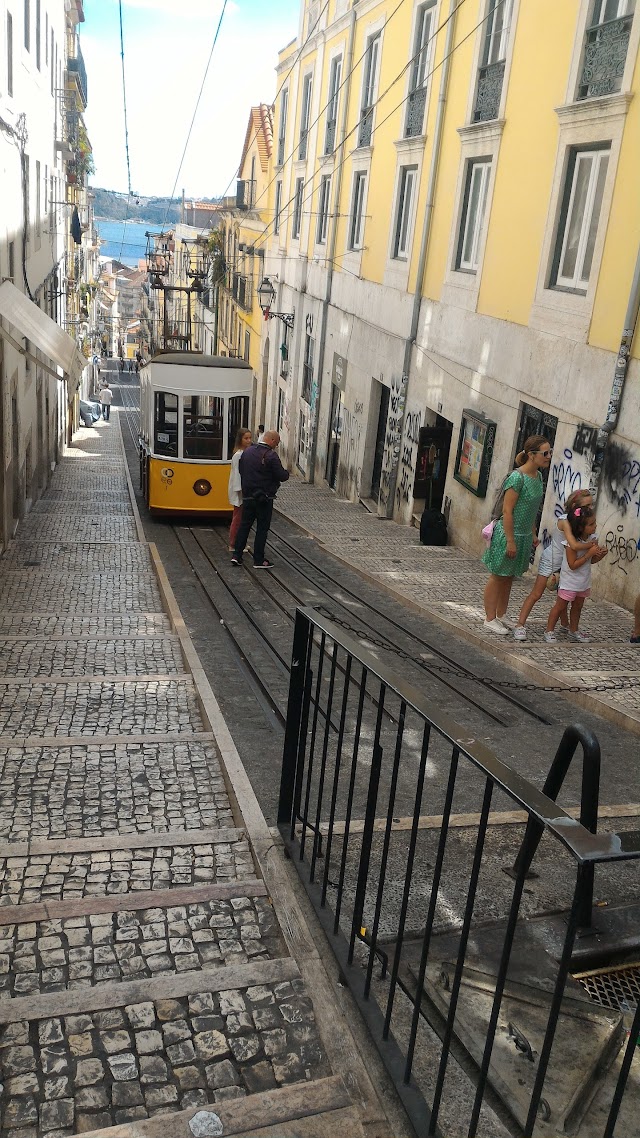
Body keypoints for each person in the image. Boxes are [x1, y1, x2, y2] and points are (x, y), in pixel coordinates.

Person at [482, 436, 552, 634]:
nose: (549, 457)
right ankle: (489, 618)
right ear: (531, 455)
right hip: (508, 534)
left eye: (550, 452)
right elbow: (508, 511)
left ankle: (502, 615)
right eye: (545, 453)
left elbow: (529, 511)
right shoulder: (516, 478)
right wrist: (510, 541)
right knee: (497, 576)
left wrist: (533, 534)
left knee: (508, 577)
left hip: (523, 535)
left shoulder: (538, 477)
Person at [513, 489, 594, 640]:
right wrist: (592, 546)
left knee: (562, 596)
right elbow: (573, 545)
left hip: (565, 563)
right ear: (575, 505)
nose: (590, 508)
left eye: (591, 505)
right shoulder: (564, 520)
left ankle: (565, 624)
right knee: (536, 594)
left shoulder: (580, 522)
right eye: (587, 505)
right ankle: (520, 624)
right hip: (551, 560)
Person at [544, 505, 607, 643]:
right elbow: (572, 565)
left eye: (595, 523)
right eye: (591, 524)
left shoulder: (593, 539)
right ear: (580, 527)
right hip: (569, 581)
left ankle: (574, 630)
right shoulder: (571, 544)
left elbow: (591, 560)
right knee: (560, 606)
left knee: (578, 607)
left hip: (583, 581)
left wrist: (599, 555)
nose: (595, 526)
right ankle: (549, 630)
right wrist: (589, 553)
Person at [231, 430, 289, 569]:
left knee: (244, 526)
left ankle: (236, 556)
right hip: (264, 498)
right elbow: (282, 475)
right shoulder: (271, 456)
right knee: (262, 529)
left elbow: (241, 470)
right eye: (277, 443)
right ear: (272, 441)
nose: (276, 446)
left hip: (248, 496)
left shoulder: (248, 452)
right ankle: (258, 559)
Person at [228, 426, 252, 551]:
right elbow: (237, 474)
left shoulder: (245, 453)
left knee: (241, 517)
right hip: (240, 491)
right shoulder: (238, 455)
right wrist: (241, 490)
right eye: (246, 438)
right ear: (240, 439)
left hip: (243, 489)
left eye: (250, 438)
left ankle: (239, 542)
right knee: (238, 518)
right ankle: (233, 543)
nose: (249, 441)